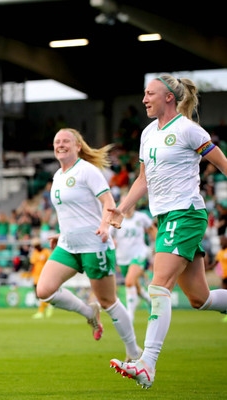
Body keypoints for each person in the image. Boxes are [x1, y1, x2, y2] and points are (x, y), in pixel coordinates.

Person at [108, 75, 227, 389]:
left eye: (150, 94)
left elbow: (222, 162)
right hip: (166, 219)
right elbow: (143, 180)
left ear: (169, 98)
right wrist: (122, 208)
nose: (144, 99)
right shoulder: (148, 133)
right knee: (199, 298)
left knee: (158, 285)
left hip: (185, 214)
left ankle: (147, 363)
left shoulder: (187, 129)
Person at [35, 128, 140, 363]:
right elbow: (74, 211)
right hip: (68, 245)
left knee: (108, 301)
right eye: (56, 141)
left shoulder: (87, 171)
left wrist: (105, 226)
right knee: (44, 290)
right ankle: (88, 312)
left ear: (78, 146)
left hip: (95, 244)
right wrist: (61, 233)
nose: (60, 145)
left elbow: (108, 202)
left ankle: (134, 352)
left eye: (65, 141)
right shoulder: (57, 176)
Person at [110, 207, 156, 322]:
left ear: (133, 205)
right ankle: (149, 300)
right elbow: (109, 235)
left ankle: (130, 316)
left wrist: (158, 246)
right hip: (122, 258)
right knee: (135, 286)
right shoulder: (117, 219)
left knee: (129, 281)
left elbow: (152, 229)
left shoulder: (141, 217)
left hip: (139, 254)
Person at [29, 238, 53, 319]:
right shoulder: (34, 253)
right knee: (37, 295)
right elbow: (32, 264)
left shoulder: (46, 251)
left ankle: (41, 311)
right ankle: (48, 306)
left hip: (44, 276)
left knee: (42, 294)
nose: (36, 247)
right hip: (36, 276)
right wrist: (29, 274)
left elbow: (51, 262)